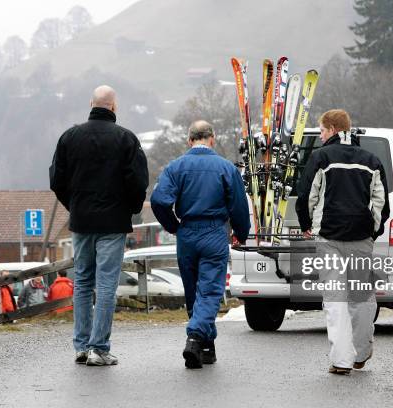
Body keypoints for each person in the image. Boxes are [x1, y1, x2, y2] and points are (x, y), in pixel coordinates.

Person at [49, 85, 149, 366]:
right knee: (106, 284)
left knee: (82, 282)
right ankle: (99, 348)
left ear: (91, 103)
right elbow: (138, 182)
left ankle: (81, 346)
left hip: (82, 222)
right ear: (114, 107)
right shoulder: (126, 139)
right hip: (113, 223)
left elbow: (56, 179)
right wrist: (128, 209)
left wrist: (75, 205)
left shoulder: (69, 137)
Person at [295, 109, 389, 375]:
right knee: (362, 297)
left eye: (322, 130)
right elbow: (381, 204)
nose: (321, 135)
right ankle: (362, 351)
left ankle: (341, 360)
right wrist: (373, 231)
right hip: (361, 238)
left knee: (335, 299)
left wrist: (306, 225)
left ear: (333, 129)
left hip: (329, 238)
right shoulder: (371, 160)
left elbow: (306, 197)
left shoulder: (321, 157)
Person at [151, 120, 250, 369]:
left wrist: (173, 225)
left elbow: (159, 200)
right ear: (212, 139)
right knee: (210, 291)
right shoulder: (226, 168)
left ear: (189, 140)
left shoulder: (176, 167)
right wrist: (241, 232)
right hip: (214, 232)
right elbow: (239, 205)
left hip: (187, 232)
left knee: (194, 290)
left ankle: (207, 346)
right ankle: (195, 338)